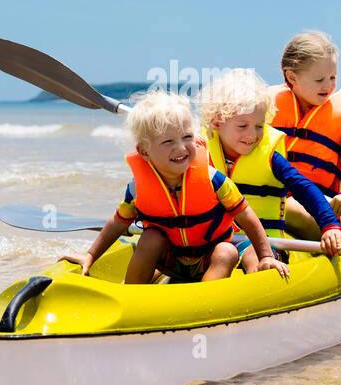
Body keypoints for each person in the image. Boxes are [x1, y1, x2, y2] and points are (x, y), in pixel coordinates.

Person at [61, 89, 289, 283]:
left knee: (227, 251)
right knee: (150, 239)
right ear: (144, 152)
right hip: (171, 260)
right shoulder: (138, 188)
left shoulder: (212, 179)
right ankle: (132, 295)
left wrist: (266, 255)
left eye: (187, 137)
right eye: (168, 141)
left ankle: (205, 300)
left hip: (207, 257)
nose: (181, 148)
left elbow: (246, 215)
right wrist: (91, 255)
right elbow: (118, 223)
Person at [199, 68, 341, 273]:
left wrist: (329, 224)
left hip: (265, 245)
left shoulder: (270, 157)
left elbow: (304, 188)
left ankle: (258, 287)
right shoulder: (200, 153)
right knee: (216, 254)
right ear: (217, 122)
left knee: (250, 258)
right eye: (243, 126)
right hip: (215, 242)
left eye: (259, 126)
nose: (253, 135)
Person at [270, 31, 341, 239]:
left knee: (292, 208)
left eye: (332, 77)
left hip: (316, 210)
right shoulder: (265, 110)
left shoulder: (340, 122)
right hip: (265, 199)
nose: (328, 86)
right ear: (291, 77)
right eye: (319, 79)